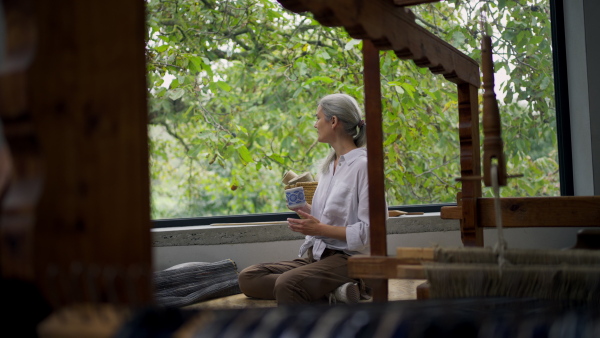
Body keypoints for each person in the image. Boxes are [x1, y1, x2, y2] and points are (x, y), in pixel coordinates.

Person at [238, 93, 383, 305]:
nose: (315, 124)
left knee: (287, 284)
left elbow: (372, 232)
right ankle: (336, 292)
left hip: (351, 260)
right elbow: (324, 218)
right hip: (319, 256)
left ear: (333, 121)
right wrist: (304, 209)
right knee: (248, 278)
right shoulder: (328, 167)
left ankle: (354, 284)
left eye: (317, 118)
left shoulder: (365, 166)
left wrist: (320, 230)